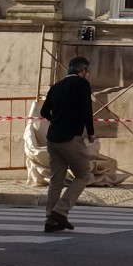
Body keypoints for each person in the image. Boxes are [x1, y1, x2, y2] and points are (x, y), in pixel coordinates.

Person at [40, 57, 96, 233]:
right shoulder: (82, 84)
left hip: (52, 138)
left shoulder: (56, 86)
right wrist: (91, 132)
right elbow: (87, 109)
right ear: (83, 70)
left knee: (56, 180)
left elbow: (44, 111)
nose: (87, 74)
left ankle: (50, 220)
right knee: (84, 174)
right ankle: (60, 211)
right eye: (87, 71)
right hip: (70, 138)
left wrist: (56, 120)